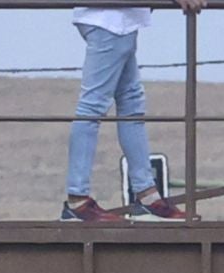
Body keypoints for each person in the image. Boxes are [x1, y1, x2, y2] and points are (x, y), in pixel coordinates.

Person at [62, 2, 201, 224]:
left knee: (130, 104)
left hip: (116, 20)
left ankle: (146, 194)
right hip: (110, 20)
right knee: (94, 106)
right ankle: (78, 199)